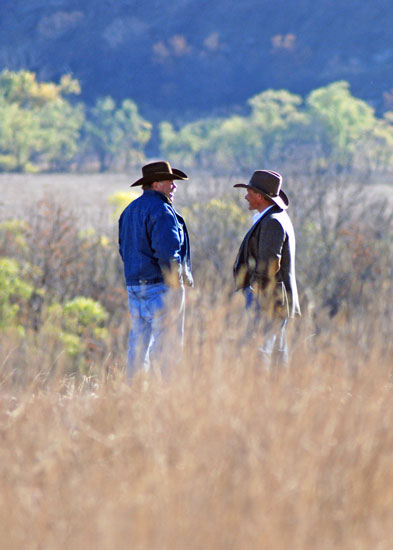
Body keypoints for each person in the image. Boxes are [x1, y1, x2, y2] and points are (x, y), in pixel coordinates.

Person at [118, 160, 193, 379]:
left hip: (134, 287)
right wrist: (175, 285)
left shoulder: (128, 211)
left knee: (138, 347)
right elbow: (169, 255)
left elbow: (123, 251)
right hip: (161, 288)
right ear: (157, 184)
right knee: (167, 349)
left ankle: (132, 394)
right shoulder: (162, 210)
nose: (174, 186)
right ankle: (167, 398)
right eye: (171, 181)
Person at [233, 170, 300, 367]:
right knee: (277, 354)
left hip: (267, 298)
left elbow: (270, 263)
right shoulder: (274, 218)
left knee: (258, 350)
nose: (246, 196)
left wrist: (256, 289)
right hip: (273, 297)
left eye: (249, 192)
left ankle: (258, 393)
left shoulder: (272, 222)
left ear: (260, 196)